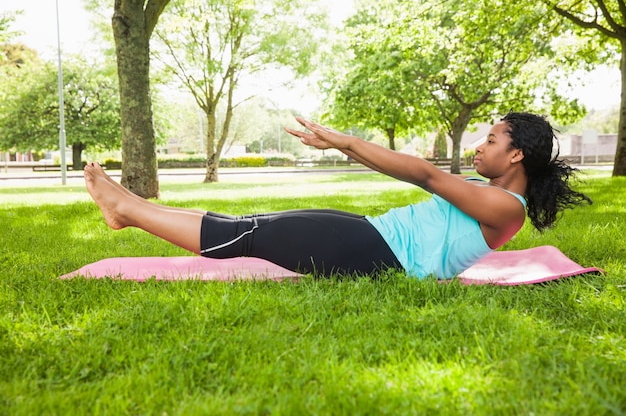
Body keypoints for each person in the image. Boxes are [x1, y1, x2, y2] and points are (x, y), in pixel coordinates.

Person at [84, 112, 591, 279]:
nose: (481, 147)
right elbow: (419, 176)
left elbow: (424, 174)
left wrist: (344, 140)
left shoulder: (506, 209)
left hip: (380, 256)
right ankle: (132, 206)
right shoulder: (488, 193)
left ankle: (126, 210)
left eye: (492, 140)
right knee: (247, 221)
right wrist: (344, 147)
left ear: (518, 155)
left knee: (247, 235)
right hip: (373, 238)